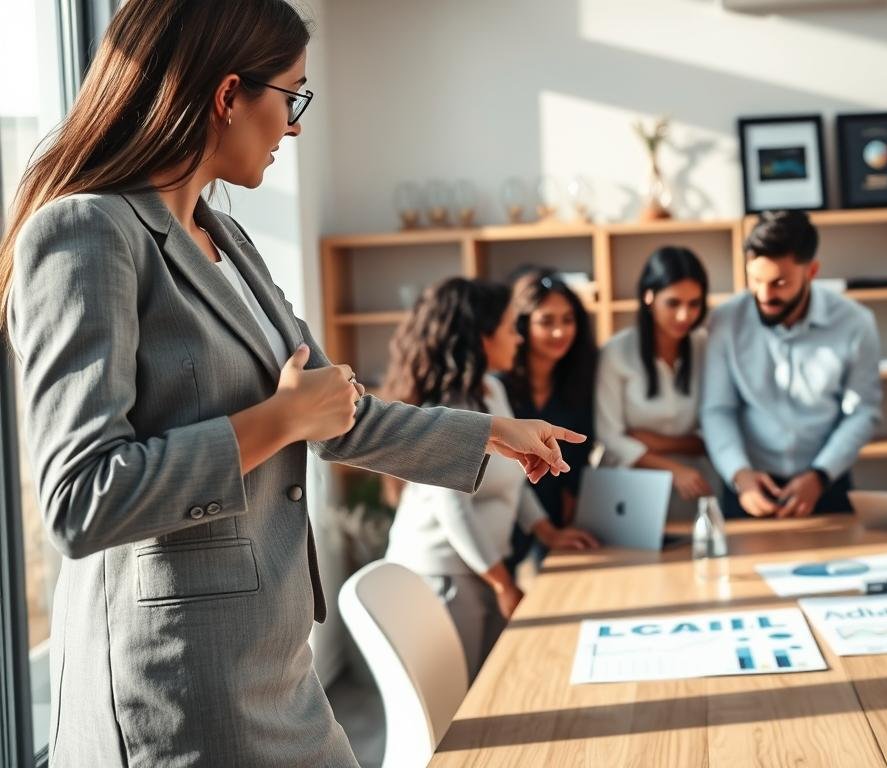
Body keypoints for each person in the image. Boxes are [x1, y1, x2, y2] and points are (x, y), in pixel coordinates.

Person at [0, 2, 582, 764]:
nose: (296, 125)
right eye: (292, 95)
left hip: (277, 667)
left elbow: (335, 409)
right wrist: (275, 422)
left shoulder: (227, 238)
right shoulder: (85, 233)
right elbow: (82, 497)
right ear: (228, 94)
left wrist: (492, 434)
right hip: (177, 687)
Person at [382, 278, 599, 682]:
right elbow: (453, 511)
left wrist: (547, 532)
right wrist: (503, 584)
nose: (518, 338)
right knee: (459, 697)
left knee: (489, 682)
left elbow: (514, 480)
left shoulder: (493, 391)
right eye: (508, 327)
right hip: (442, 577)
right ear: (481, 338)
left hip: (482, 570)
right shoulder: (448, 409)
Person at [701, 210, 882, 518]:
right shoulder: (725, 321)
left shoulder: (856, 323)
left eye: (780, 282)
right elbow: (718, 410)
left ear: (811, 271)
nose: (764, 294)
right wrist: (739, 474)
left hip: (826, 483)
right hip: (748, 486)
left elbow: (862, 411)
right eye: (756, 280)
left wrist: (820, 474)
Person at [594, 246, 714, 520]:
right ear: (649, 297)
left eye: (694, 304)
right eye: (673, 303)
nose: (685, 316)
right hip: (630, 490)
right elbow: (609, 436)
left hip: (696, 486)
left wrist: (655, 441)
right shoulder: (616, 351)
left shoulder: (705, 347)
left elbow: (713, 432)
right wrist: (673, 467)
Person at [502, 271, 598, 549]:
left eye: (568, 320)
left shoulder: (582, 380)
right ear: (522, 326)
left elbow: (583, 447)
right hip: (507, 514)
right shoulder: (499, 387)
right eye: (546, 321)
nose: (560, 332)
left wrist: (572, 495)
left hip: (561, 511)